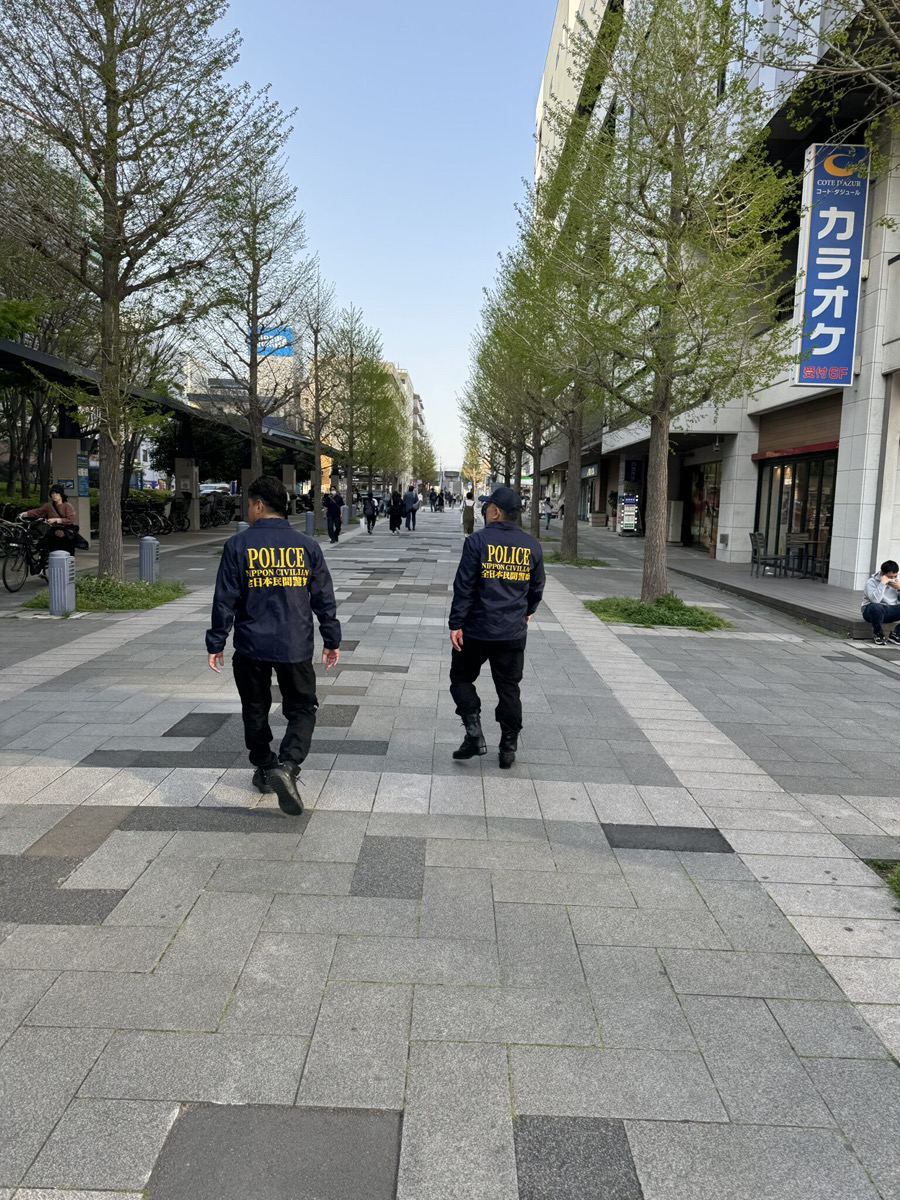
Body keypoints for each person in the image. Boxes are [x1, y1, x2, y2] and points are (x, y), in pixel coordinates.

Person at [206, 475, 341, 815]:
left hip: (251, 645)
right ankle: (288, 765)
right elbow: (323, 597)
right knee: (301, 708)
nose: (248, 510)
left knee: (254, 706)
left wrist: (217, 641)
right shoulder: (307, 546)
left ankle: (265, 766)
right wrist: (331, 638)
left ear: (259, 505)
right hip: (294, 644)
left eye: (249, 504)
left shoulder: (238, 546)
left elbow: (226, 599)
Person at [448, 485, 546, 769]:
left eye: (488, 506)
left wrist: (456, 623)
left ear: (495, 511)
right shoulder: (532, 545)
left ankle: (474, 733)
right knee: (509, 687)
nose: (486, 510)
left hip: (476, 628)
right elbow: (537, 587)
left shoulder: (477, 542)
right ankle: (508, 746)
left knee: (461, 679)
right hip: (512, 632)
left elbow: (464, 586)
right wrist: (527, 612)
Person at [21, 485, 80, 562]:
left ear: (61, 494)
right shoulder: (49, 506)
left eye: (57, 493)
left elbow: (70, 519)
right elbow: (38, 512)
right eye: (52, 493)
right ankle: (43, 564)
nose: (54, 495)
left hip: (66, 533)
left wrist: (56, 520)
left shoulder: (67, 506)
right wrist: (25, 514)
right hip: (54, 531)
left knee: (66, 554)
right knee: (44, 546)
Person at [862, 560, 900, 646]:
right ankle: (878, 634)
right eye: (890, 577)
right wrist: (882, 584)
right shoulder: (871, 582)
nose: (893, 579)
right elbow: (875, 600)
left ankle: (896, 634)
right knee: (876, 607)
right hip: (871, 612)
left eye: (895, 576)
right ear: (882, 574)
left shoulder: (897, 581)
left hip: (890, 611)